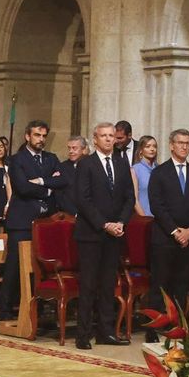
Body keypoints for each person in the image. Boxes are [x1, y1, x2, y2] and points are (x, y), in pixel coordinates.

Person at [74, 122, 135, 349]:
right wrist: (104, 224)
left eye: (111, 136)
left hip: (115, 234)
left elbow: (129, 197)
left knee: (109, 284)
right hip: (91, 233)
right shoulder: (85, 164)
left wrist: (120, 222)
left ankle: (106, 332)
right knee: (89, 285)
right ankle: (83, 335)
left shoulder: (121, 163)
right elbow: (83, 199)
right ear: (95, 139)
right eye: (104, 136)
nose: (109, 139)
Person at [0, 120, 65, 319]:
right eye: (37, 135)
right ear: (27, 136)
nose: (41, 139)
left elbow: (63, 180)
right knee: (15, 266)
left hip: (46, 221)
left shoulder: (51, 158)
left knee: (42, 266)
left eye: (44, 136)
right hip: (21, 221)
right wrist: (49, 188)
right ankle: (6, 309)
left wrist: (42, 181)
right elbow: (22, 187)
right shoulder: (16, 159)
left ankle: (40, 308)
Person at [146, 128, 189, 342]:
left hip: (187, 239)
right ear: (171, 145)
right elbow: (157, 205)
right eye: (180, 143)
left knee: (182, 284)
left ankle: (178, 327)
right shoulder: (159, 172)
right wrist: (174, 231)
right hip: (164, 237)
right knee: (160, 285)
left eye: (187, 143)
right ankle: (153, 329)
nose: (184, 146)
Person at [55, 136, 87, 215]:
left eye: (74, 148)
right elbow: (59, 195)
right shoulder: (62, 167)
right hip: (69, 215)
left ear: (83, 149)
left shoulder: (92, 165)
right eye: (69, 148)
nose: (71, 151)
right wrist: (74, 213)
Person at [131, 135, 157, 217]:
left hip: (161, 218)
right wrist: (144, 218)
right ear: (141, 150)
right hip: (143, 217)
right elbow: (134, 199)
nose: (152, 149)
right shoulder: (135, 170)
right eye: (148, 146)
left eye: (154, 146)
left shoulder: (159, 169)